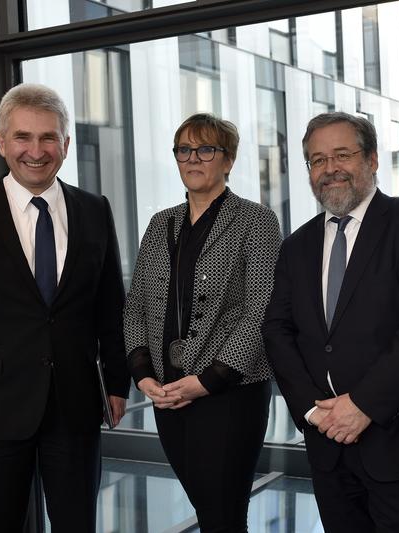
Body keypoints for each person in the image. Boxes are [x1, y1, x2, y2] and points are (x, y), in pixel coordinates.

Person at [0, 83, 130, 532]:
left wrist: (116, 383)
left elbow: (111, 307)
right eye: (22, 137)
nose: (35, 151)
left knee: (77, 523)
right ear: (1, 142)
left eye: (48, 137)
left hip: (75, 405)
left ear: (66, 144)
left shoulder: (95, 209)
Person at [262, 112, 399, 532]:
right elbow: (277, 330)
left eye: (341, 155)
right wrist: (313, 413)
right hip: (328, 447)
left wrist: (363, 405)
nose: (329, 169)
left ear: (371, 159)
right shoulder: (297, 245)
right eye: (317, 160)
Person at [123, 113, 281, 532]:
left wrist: (208, 380)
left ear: (227, 161)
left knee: (223, 514)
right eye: (184, 150)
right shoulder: (161, 224)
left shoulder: (257, 221)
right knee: (205, 505)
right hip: (166, 392)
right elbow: (137, 303)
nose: (193, 158)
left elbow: (260, 308)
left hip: (228, 394)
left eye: (206, 149)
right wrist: (142, 376)